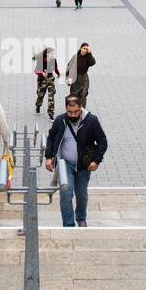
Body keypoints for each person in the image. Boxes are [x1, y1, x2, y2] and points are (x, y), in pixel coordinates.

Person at [44, 94, 109, 228]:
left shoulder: (91, 121)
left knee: (81, 193)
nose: (73, 115)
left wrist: (96, 161)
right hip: (64, 164)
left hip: (84, 165)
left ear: (81, 108)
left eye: (76, 112)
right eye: (70, 112)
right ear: (66, 109)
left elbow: (102, 142)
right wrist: (48, 157)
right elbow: (51, 138)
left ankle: (81, 217)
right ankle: (68, 224)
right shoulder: (60, 120)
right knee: (66, 193)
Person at [34, 46, 61, 121]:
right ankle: (38, 106)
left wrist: (58, 74)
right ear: (47, 54)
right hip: (42, 81)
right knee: (40, 96)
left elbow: (55, 68)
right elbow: (36, 71)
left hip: (50, 80)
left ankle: (51, 114)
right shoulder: (41, 61)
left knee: (51, 97)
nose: (53, 55)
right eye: (51, 53)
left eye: (53, 53)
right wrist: (42, 73)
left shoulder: (54, 60)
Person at [66, 43, 95, 107]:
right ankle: (74, 108)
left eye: (86, 49)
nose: (85, 50)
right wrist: (68, 78)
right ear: (81, 48)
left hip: (84, 78)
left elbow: (92, 63)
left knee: (83, 94)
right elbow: (69, 66)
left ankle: (82, 109)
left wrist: (90, 53)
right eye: (84, 48)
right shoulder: (75, 56)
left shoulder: (88, 57)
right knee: (74, 95)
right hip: (75, 78)